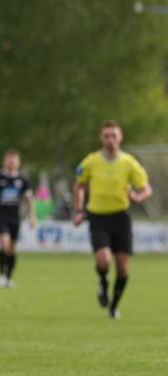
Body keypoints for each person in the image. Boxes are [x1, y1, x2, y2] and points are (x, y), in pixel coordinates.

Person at [72, 121, 151, 319]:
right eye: (106, 136)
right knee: (104, 259)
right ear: (101, 138)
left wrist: (137, 197)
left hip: (121, 217)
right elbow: (79, 185)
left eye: (113, 136)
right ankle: (103, 280)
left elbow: (146, 189)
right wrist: (79, 210)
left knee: (123, 267)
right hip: (97, 216)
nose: (110, 140)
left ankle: (114, 306)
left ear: (120, 138)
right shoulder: (90, 161)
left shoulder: (129, 163)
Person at [0, 149, 36, 288]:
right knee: (4, 243)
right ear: (4, 161)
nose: (11, 162)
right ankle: (1, 275)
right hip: (1, 216)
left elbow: (28, 200)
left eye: (14, 159)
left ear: (18, 162)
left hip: (15, 217)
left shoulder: (22, 179)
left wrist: (32, 216)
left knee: (12, 249)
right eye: (9, 159)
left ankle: (8, 278)